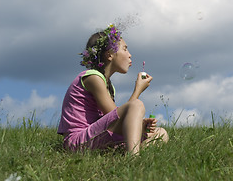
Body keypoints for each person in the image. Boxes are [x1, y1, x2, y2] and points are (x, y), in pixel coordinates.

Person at [57, 24, 168, 154]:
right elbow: (116, 116)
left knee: (161, 133)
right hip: (77, 142)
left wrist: (141, 125)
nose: (130, 55)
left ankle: (122, 153)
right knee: (137, 105)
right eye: (125, 49)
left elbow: (116, 120)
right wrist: (137, 90)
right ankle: (133, 159)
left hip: (94, 138)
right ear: (109, 55)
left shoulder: (107, 84)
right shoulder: (93, 78)